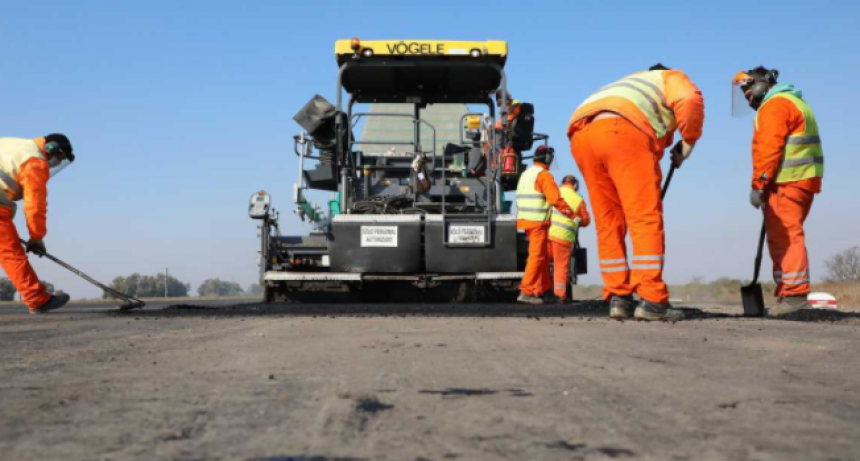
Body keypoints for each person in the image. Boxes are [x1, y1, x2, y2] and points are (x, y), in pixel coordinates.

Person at [567, 64, 705, 320]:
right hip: (623, 131)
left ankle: (619, 297)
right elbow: (688, 98)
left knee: (609, 222)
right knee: (643, 217)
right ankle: (652, 300)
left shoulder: (629, 84)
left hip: (582, 135)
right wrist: (688, 142)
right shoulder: (669, 77)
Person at [732, 67, 823, 316]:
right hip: (802, 182)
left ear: (763, 84)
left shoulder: (775, 105)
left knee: (786, 237)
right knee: (784, 236)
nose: (747, 96)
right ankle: (788, 293)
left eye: (748, 89)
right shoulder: (796, 101)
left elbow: (768, 150)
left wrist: (758, 185)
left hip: (786, 182)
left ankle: (794, 296)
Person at [0, 134, 75, 314]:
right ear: (52, 149)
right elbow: (35, 205)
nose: (56, 163)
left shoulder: (13, 145)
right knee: (11, 253)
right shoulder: (35, 162)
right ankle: (37, 299)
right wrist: (36, 237)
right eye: (60, 158)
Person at [516, 145, 574, 304]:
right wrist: (570, 213)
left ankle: (546, 290)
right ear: (547, 159)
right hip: (537, 222)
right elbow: (555, 199)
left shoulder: (527, 173)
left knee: (541, 256)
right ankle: (526, 291)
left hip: (526, 220)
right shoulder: (543, 175)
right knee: (537, 256)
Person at [547, 175, 590, 301]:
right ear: (575, 185)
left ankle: (540, 292)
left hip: (548, 234)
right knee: (560, 266)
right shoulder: (578, 199)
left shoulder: (555, 192)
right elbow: (586, 220)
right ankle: (560, 295)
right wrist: (578, 222)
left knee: (543, 263)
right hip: (563, 237)